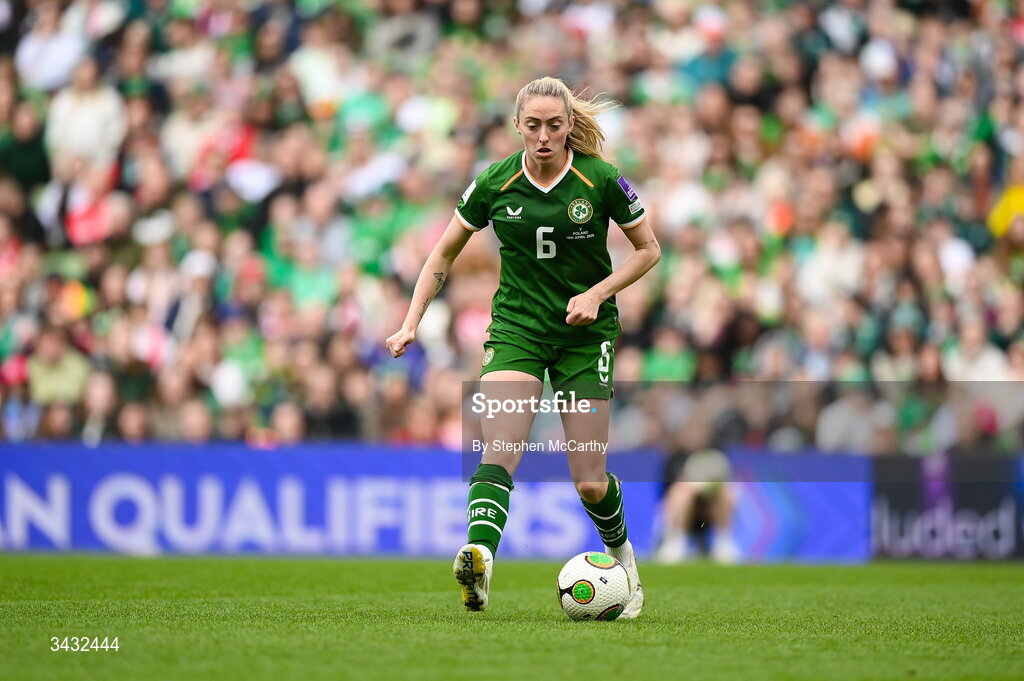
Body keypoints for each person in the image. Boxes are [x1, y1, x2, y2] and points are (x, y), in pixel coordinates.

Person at [386, 77, 660, 617]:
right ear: (517, 126)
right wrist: (410, 321)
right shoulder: (494, 182)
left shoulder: (600, 179)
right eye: (532, 125)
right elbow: (440, 256)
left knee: (588, 480)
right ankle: (479, 560)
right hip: (518, 331)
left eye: (554, 125)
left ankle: (623, 560)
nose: (543, 136)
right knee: (501, 451)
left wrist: (598, 292)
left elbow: (648, 250)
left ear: (567, 127)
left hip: (585, 336)